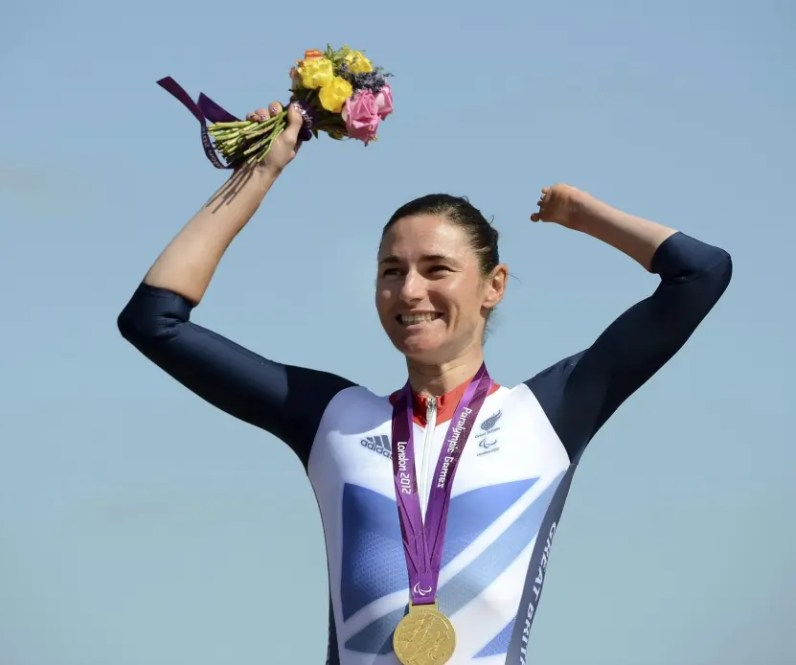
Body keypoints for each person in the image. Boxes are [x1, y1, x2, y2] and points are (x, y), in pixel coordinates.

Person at [117, 101, 732, 665]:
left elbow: (700, 273)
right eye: (391, 271)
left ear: (494, 286)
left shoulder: (549, 413)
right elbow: (153, 321)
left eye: (437, 269)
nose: (410, 291)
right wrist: (261, 171)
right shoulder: (334, 419)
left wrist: (583, 215)